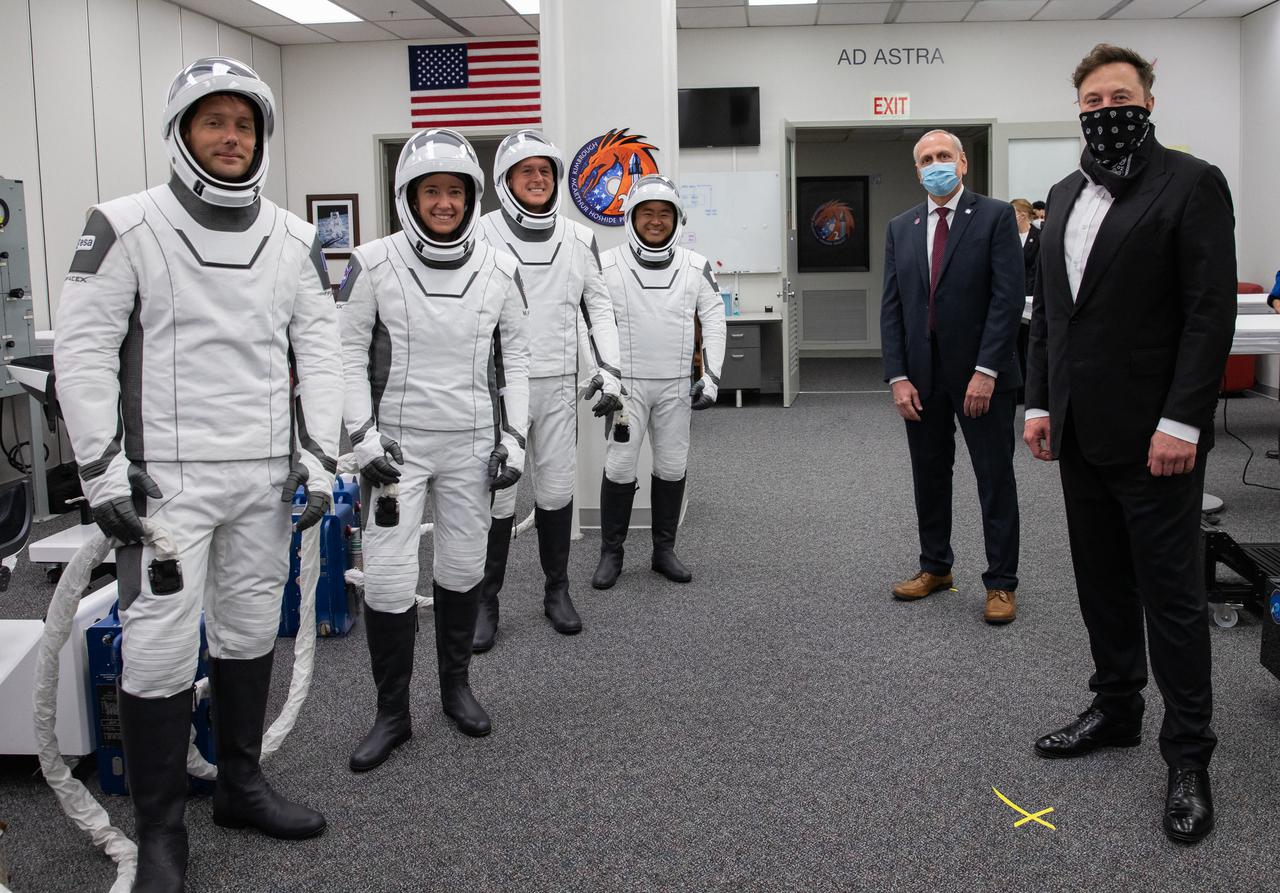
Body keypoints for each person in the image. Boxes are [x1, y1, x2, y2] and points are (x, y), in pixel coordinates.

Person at [55, 57, 342, 891]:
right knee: (157, 654)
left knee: (254, 630)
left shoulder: (294, 240)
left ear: (261, 137)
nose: (229, 138)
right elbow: (83, 353)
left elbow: (320, 354)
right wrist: (102, 470)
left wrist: (322, 456)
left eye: (243, 124)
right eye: (212, 122)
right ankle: (160, 833)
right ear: (181, 132)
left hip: (264, 478)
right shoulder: (123, 226)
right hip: (163, 491)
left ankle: (241, 786)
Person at [1023, 44, 1236, 845]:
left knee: (1172, 601)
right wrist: (1038, 400)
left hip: (1158, 440)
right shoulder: (1063, 192)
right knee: (1101, 586)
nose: (1105, 106)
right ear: (1078, 109)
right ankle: (1116, 709)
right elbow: (1050, 312)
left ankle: (1188, 754)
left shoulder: (1192, 183)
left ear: (1148, 101)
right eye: (1091, 97)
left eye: (1120, 93)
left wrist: (1183, 420)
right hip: (1078, 430)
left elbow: (1208, 312)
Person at [338, 128, 530, 772]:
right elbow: (342, 356)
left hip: (473, 447)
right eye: (430, 192)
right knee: (390, 583)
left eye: (454, 191)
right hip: (397, 449)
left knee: (461, 569)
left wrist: (515, 437)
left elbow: (519, 362)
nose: (443, 203)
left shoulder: (502, 267)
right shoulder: (372, 263)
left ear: (472, 196)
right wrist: (361, 437)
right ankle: (392, 713)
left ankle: (456, 690)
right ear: (408, 197)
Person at [473, 130, 623, 649]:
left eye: (545, 172)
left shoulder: (580, 238)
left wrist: (611, 370)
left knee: (558, 492)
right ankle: (484, 602)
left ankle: (556, 590)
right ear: (505, 180)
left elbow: (599, 309)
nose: (537, 180)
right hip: (496, 390)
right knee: (498, 497)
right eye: (526, 172)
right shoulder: (480, 232)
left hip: (559, 385)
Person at [880, 129, 1023, 624]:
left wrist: (987, 371)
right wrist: (897, 376)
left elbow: (1007, 300)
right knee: (930, 475)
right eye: (926, 159)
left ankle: (1001, 582)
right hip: (922, 378)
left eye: (944, 156)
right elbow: (893, 308)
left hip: (982, 376)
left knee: (994, 477)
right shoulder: (902, 226)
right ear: (916, 170)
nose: (935, 164)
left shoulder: (996, 216)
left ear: (963, 164)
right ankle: (935, 566)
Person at [592, 175, 725, 589]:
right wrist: (604, 375)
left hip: (674, 387)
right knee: (619, 467)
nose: (655, 221)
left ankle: (663, 550)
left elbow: (716, 320)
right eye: (646, 213)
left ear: (676, 219)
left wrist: (712, 376)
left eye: (663, 214)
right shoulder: (608, 264)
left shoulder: (695, 265)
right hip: (626, 389)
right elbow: (590, 321)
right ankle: (611, 553)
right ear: (631, 217)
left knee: (671, 466)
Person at [1011, 198, 1040, 297]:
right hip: (1011, 289)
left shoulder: (1038, 237)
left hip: (1029, 291)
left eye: (1011, 214)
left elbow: (1036, 268)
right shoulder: (1008, 236)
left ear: (1022, 215)